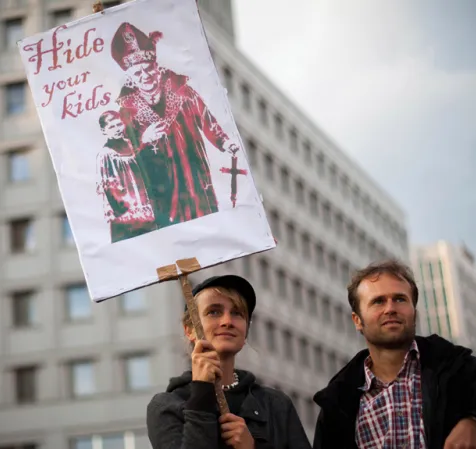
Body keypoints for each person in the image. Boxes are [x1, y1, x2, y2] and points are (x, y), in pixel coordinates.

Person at [312, 260, 476, 449]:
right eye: (378, 301)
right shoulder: (338, 403)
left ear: (414, 312)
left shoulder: (461, 371)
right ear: (357, 320)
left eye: (399, 299)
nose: (390, 308)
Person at [147, 274, 312, 449]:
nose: (227, 321)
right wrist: (202, 395)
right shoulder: (166, 406)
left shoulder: (276, 404)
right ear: (189, 330)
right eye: (214, 312)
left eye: (237, 313)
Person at [110, 22, 241, 229]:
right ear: (130, 78)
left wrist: (224, 142)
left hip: (193, 172)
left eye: (148, 69)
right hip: (159, 181)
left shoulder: (181, 90)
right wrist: (144, 138)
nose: (145, 77)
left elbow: (205, 116)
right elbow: (122, 147)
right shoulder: (126, 109)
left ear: (156, 65)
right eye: (137, 74)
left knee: (202, 218)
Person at [95, 110, 158, 243]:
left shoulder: (133, 144)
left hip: (150, 210)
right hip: (128, 217)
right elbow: (112, 192)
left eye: (119, 125)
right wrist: (132, 212)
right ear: (104, 131)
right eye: (111, 127)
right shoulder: (106, 155)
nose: (117, 129)